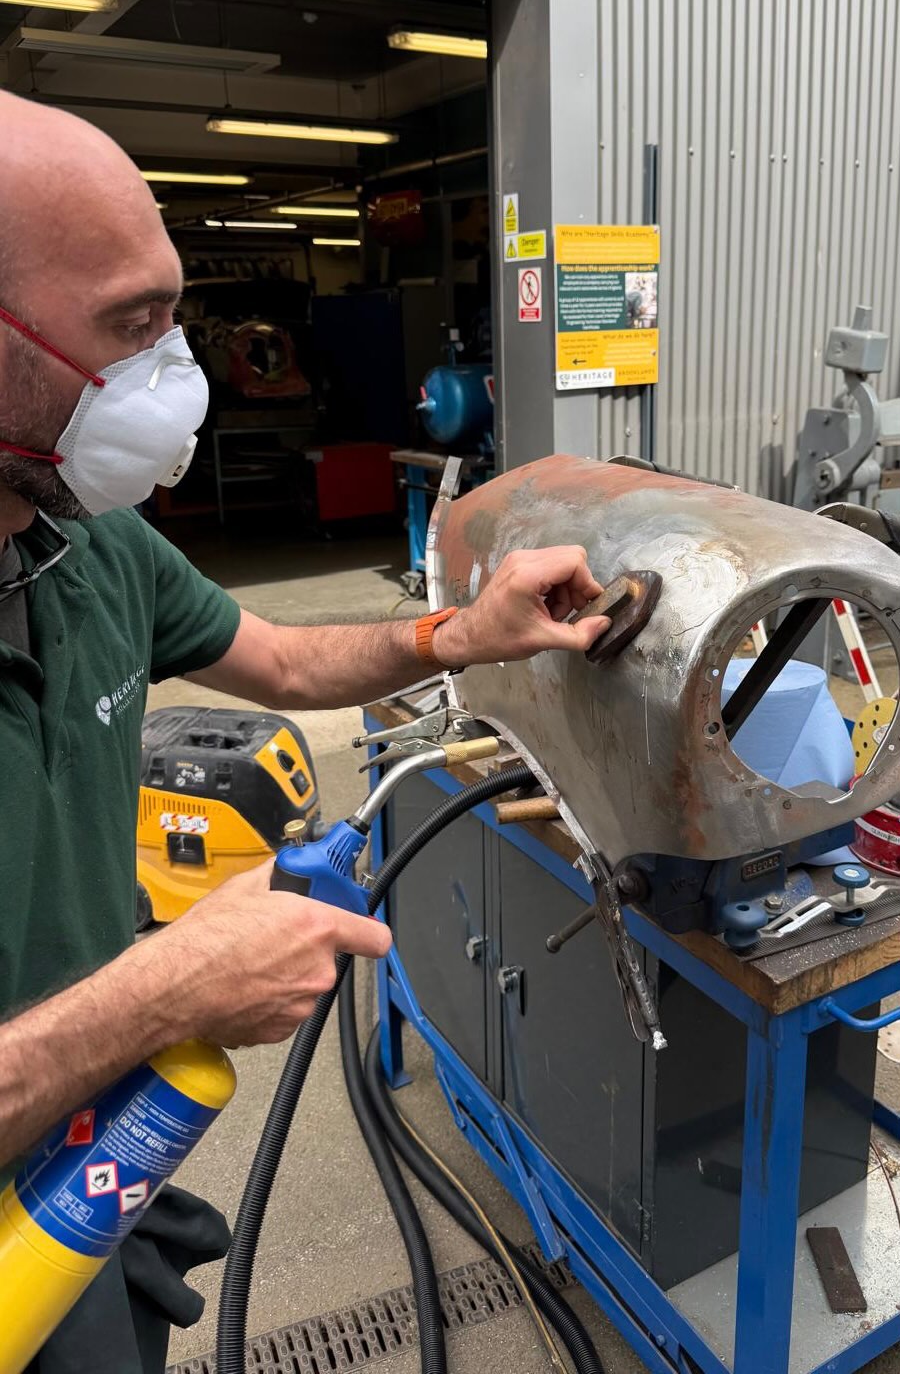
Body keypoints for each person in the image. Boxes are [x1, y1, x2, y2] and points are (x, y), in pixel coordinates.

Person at [0, 91, 611, 1370]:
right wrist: (166, 985)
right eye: (131, 326)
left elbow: (277, 655)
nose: (180, 374)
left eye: (175, 316)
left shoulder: (88, 543)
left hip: (95, 1148)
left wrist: (462, 635)